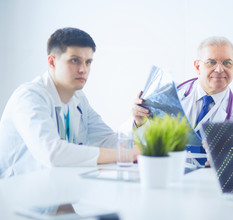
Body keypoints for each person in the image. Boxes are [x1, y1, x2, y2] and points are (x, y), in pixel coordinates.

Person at [0, 27, 139, 178]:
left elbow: (105, 140)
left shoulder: (79, 99)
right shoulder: (28, 97)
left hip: (53, 190)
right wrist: (125, 154)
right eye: (75, 60)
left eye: (88, 62)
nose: (83, 69)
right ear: (52, 62)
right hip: (17, 193)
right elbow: (53, 153)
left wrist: (137, 122)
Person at [132, 36, 233, 164]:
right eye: (211, 62)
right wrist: (140, 122)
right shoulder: (167, 97)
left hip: (211, 181)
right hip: (170, 176)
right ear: (197, 66)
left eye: (227, 63)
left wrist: (225, 160)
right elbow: (148, 147)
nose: (219, 69)